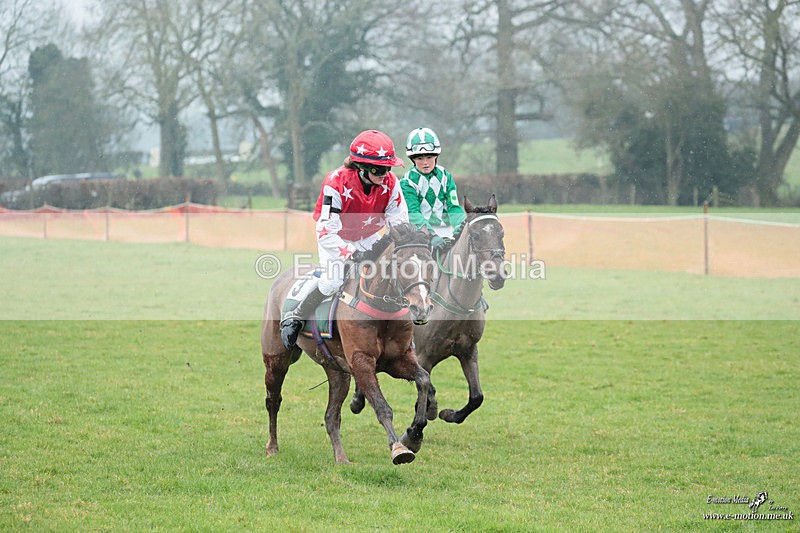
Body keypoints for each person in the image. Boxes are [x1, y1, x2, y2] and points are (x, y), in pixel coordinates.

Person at [280, 130, 409, 350]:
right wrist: (351, 253)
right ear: (361, 167)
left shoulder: (390, 182)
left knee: (392, 273)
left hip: (369, 236)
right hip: (334, 237)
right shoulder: (336, 181)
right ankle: (296, 317)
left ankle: (401, 332)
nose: (384, 173)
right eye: (379, 169)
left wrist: (404, 244)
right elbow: (326, 230)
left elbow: (399, 220)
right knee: (333, 281)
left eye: (388, 167)